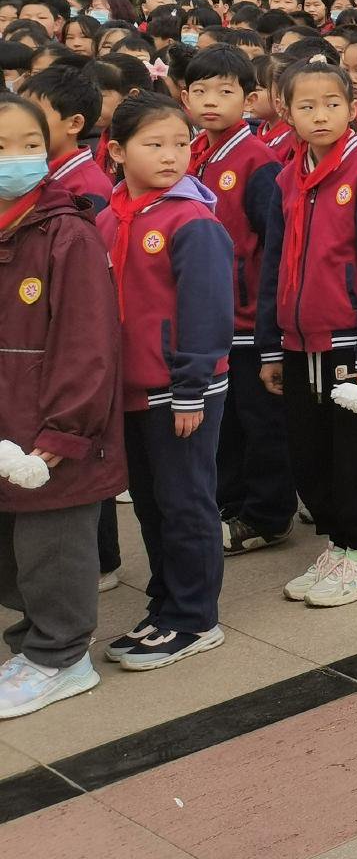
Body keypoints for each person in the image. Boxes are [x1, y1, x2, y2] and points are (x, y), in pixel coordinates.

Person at [256, 60, 357, 608]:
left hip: (351, 341)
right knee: (313, 452)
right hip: (299, 340)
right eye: (306, 106)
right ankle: (341, 544)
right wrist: (271, 342)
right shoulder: (287, 176)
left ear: (353, 107)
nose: (320, 115)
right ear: (285, 110)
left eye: (332, 104)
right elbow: (275, 261)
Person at [96, 94, 236, 669]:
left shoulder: (191, 220)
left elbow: (206, 312)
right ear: (116, 152)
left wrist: (190, 385)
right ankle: (166, 602)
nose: (171, 156)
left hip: (182, 388)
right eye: (154, 145)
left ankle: (195, 617)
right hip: (131, 388)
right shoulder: (109, 216)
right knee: (152, 505)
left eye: (180, 144)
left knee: (186, 502)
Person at [0, 94, 126, 718]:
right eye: (2, 147)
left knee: (54, 545)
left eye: (29, 145)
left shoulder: (65, 232)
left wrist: (66, 428)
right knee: (14, 552)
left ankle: (62, 657)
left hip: (53, 423)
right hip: (6, 419)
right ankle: (33, 642)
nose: (17, 159)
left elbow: (87, 340)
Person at [180, 49, 292, 556]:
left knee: (259, 421)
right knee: (224, 423)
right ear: (183, 97)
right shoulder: (195, 153)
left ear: (248, 99)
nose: (210, 101)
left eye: (224, 91)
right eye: (200, 91)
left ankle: (267, 514)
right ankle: (232, 503)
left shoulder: (257, 162)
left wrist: (268, 321)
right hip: (212, 320)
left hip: (247, 319)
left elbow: (274, 247)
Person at [20, 64, 114, 214]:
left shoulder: (89, 188)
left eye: (35, 114)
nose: (20, 122)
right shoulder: (33, 166)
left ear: (75, 124)